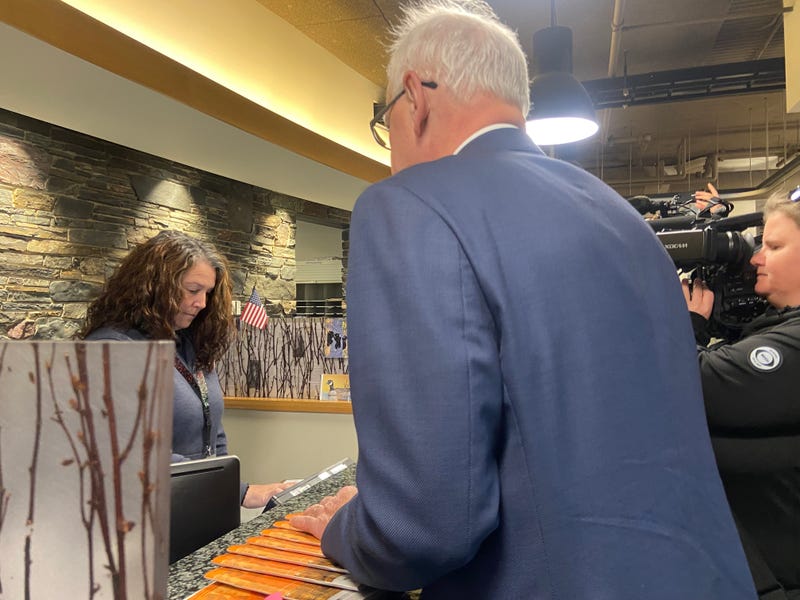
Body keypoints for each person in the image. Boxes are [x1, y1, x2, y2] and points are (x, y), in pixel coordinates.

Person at [288, 1, 756, 598]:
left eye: (386, 119)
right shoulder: (622, 218)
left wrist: (348, 528)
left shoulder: (409, 205)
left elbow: (422, 527)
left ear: (416, 97)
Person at [79, 230, 290, 508]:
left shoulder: (188, 344)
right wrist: (238, 492)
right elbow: (131, 450)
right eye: (193, 290)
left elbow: (212, 433)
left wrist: (225, 491)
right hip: (140, 513)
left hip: (194, 504)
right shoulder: (111, 348)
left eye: (207, 293)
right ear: (155, 286)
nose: (202, 303)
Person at [682, 191, 800, 598]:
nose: (755, 259)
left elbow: (696, 386)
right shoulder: (771, 326)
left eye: (774, 247)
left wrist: (686, 325)